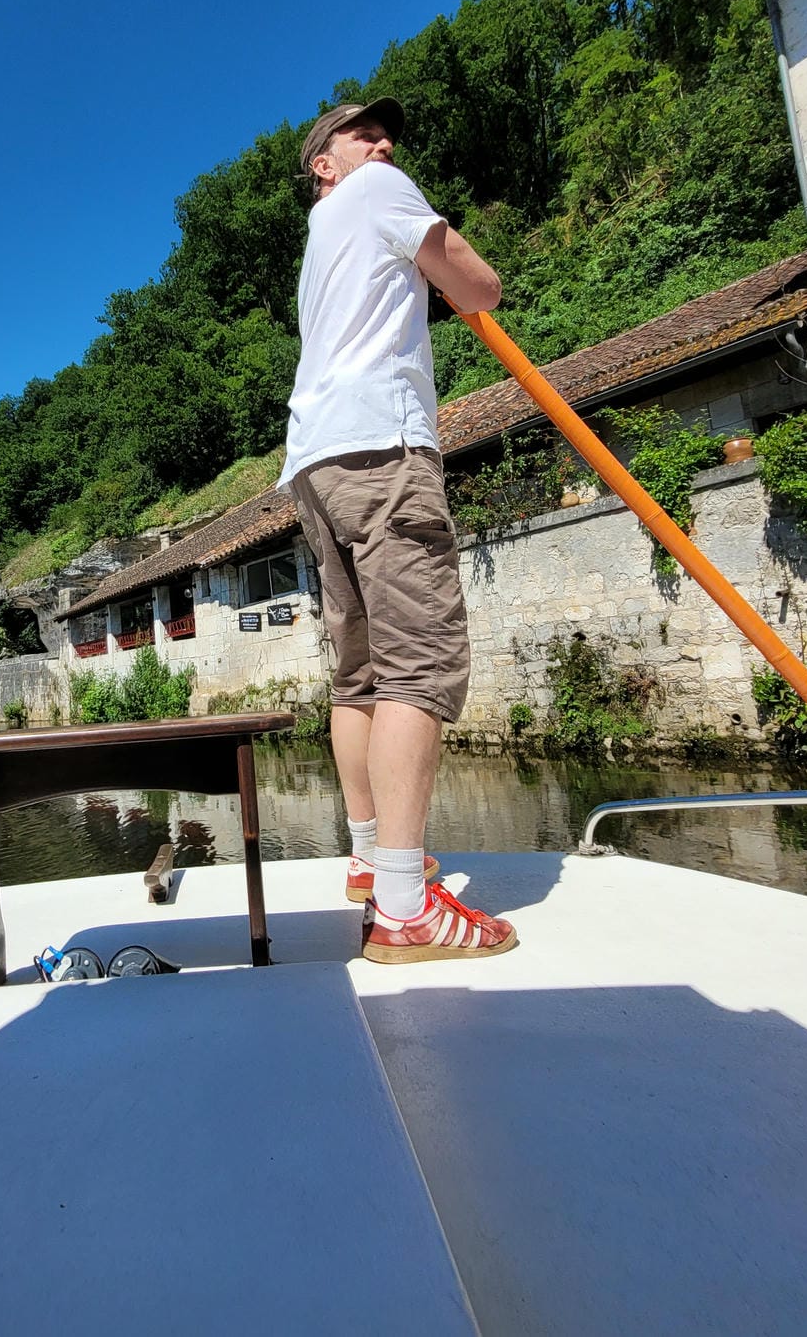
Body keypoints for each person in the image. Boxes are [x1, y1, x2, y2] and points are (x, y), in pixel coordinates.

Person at [282, 98, 518, 964]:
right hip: (381, 446)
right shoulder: (377, 190)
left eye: (386, 137)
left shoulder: (320, 245)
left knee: (361, 673)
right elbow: (479, 284)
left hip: (315, 461)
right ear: (326, 164)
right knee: (419, 660)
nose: (382, 145)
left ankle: (369, 858)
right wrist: (456, 287)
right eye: (362, 135)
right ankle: (408, 909)